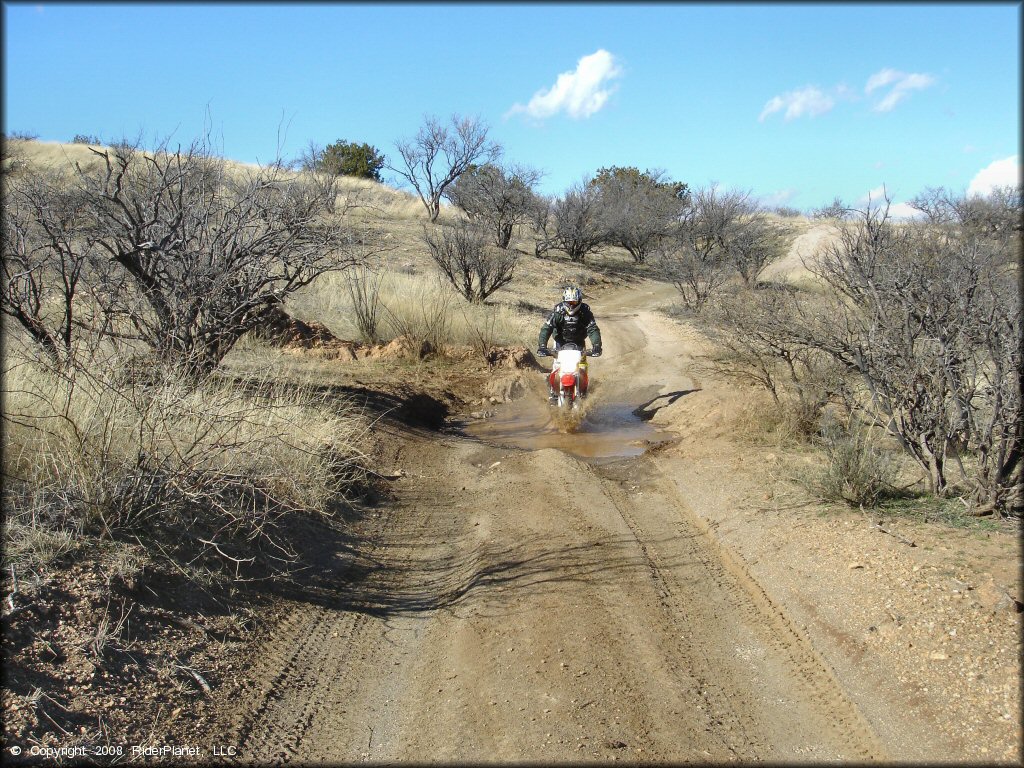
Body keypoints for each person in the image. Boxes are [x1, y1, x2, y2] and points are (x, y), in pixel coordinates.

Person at [536, 286, 602, 404]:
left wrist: (596, 345)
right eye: (569, 302)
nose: (571, 305)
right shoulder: (557, 312)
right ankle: (553, 393)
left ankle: (583, 391)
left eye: (574, 302)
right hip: (560, 343)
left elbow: (593, 329)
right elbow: (546, 328)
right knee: (557, 366)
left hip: (579, 343)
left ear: (579, 301)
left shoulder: (585, 313)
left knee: (582, 367)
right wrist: (542, 346)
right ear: (564, 301)